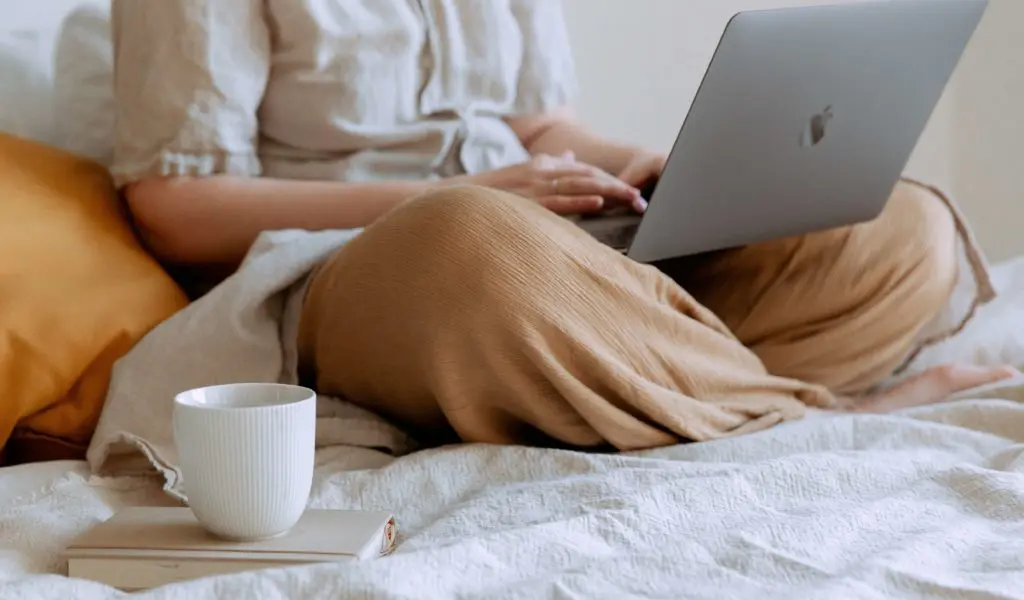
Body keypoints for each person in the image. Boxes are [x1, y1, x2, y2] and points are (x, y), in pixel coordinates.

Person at [110, 0, 1014, 450]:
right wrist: (471, 197)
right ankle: (831, 416)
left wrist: (650, 166)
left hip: (546, 240)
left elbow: (546, 125)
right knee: (471, 241)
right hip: (375, 262)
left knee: (900, 226)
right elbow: (175, 207)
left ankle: (641, 380)